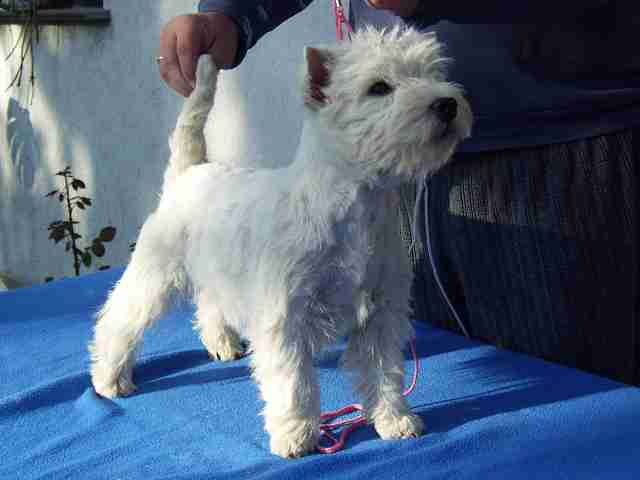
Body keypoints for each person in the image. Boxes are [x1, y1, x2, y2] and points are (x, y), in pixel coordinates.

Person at [158, 1, 639, 386]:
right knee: (443, 386)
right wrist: (231, 13)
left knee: (582, 403)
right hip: (399, 177)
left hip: (564, 144)